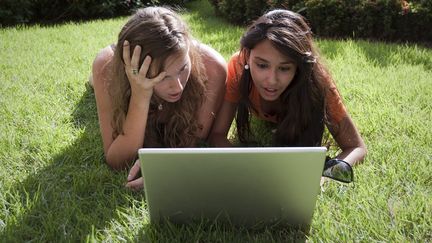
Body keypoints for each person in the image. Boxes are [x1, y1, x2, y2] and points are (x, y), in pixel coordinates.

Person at [209, 9, 367, 168]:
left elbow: (356, 147)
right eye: (262, 65)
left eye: (284, 68)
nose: (272, 80)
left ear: (299, 67)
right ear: (248, 57)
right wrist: (241, 166)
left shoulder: (318, 82)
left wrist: (324, 175)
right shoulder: (238, 66)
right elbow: (218, 134)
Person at [91, 7, 226, 190]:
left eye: (182, 68)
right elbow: (117, 161)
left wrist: (165, 171)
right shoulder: (106, 67)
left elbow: (194, 140)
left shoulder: (213, 68)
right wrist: (140, 95)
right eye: (162, 77)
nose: (178, 86)